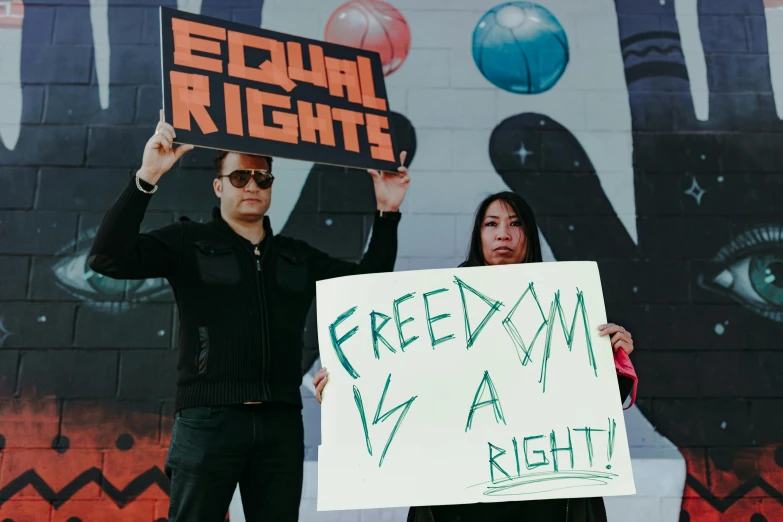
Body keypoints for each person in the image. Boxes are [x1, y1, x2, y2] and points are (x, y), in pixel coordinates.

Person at [88, 111, 411, 522]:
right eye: (240, 177)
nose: (252, 185)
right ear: (219, 185)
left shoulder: (296, 255)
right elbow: (107, 258)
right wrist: (147, 176)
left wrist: (388, 211)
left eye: (262, 178)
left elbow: (368, 287)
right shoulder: (188, 242)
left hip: (280, 423)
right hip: (207, 422)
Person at [312, 191, 638, 522]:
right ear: (478, 235)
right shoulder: (439, 309)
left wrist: (610, 359)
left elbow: (596, 408)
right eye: (491, 224)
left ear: (529, 235)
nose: (503, 234)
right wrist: (345, 394)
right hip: (461, 501)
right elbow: (406, 390)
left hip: (545, 495)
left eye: (516, 224)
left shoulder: (566, 303)